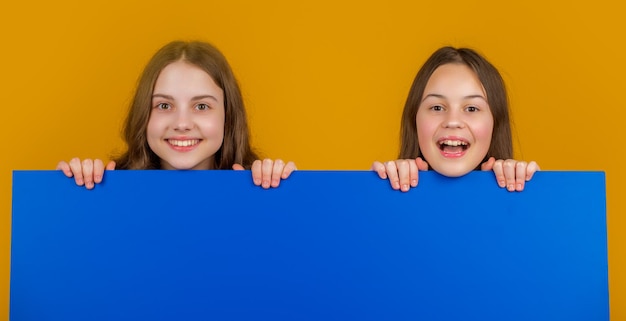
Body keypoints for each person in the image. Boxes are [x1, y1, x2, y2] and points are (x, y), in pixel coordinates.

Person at [57, 40, 295, 190]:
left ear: (228, 117)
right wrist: (66, 190)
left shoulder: (259, 186)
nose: (182, 124)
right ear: (143, 115)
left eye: (201, 106)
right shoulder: (108, 188)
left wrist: (286, 190)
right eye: (164, 106)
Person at [372, 46, 539, 192]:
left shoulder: (529, 194)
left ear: (495, 123)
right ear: (414, 120)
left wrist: (536, 191)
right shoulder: (380, 191)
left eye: (471, 108)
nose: (453, 121)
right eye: (437, 107)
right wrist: (373, 190)